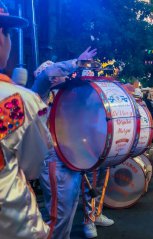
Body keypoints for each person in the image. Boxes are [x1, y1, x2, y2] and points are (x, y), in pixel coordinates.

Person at [32, 47, 115, 239]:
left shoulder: (65, 96)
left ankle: (92, 217)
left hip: (70, 157)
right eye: (57, 74)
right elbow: (46, 74)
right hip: (54, 160)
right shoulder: (39, 94)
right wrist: (76, 63)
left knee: (65, 211)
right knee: (59, 215)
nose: (60, 77)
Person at [0, 1, 52, 238]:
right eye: (8, 33)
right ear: (2, 39)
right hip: (14, 224)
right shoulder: (19, 101)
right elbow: (33, 167)